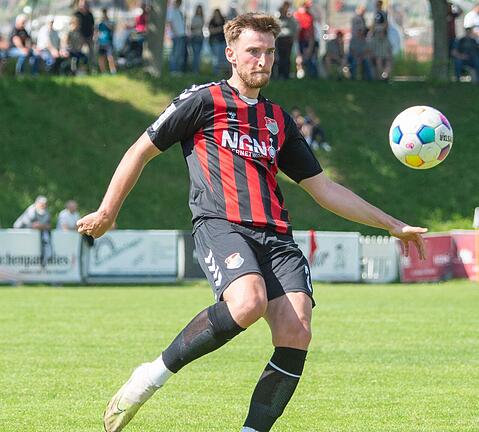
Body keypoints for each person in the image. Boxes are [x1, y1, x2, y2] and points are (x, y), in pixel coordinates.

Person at [78, 13, 427, 432]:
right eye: (253, 52)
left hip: (277, 236)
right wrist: (107, 212)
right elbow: (140, 151)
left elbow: (324, 189)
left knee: (297, 331)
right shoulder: (202, 101)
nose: (262, 60)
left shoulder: (278, 120)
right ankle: (149, 378)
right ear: (231, 55)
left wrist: (391, 224)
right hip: (222, 225)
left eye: (269, 52)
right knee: (246, 302)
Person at [369, 0, 392, 80]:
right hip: (377, 39)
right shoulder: (376, 14)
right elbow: (374, 25)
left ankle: (383, 76)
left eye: (378, 5)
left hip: (381, 40)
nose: (377, 6)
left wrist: (381, 31)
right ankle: (381, 77)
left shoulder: (383, 14)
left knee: (384, 60)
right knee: (378, 60)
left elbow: (385, 24)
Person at [274, 1, 297, 79]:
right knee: (280, 57)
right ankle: (280, 74)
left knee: (287, 58)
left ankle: (286, 74)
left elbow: (294, 29)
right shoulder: (277, 19)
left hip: (288, 40)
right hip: (280, 40)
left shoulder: (290, 19)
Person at [74, 0, 96, 72]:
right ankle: (75, 68)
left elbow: (93, 26)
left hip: (89, 36)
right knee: (78, 52)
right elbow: (74, 25)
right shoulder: (77, 14)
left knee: (92, 53)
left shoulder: (90, 14)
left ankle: (92, 69)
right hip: (80, 37)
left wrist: (93, 35)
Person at [166, 0, 186, 73]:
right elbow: (170, 22)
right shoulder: (171, 11)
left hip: (181, 34)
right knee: (175, 54)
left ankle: (178, 70)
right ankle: (173, 70)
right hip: (176, 35)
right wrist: (174, 32)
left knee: (180, 54)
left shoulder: (178, 11)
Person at [97, 8, 117, 74]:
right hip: (101, 42)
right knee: (101, 58)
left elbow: (112, 29)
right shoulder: (99, 23)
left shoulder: (110, 22)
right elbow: (97, 32)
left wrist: (106, 22)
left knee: (110, 57)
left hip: (108, 42)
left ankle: (113, 71)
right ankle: (103, 72)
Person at [208, 8, 227, 75]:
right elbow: (211, 31)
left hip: (223, 41)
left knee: (222, 58)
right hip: (215, 41)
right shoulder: (212, 21)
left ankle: (221, 72)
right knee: (216, 58)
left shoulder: (223, 20)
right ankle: (215, 72)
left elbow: (226, 29)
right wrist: (219, 29)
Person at [189, 5, 205, 74]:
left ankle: (196, 70)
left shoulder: (202, 18)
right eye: (198, 9)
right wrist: (197, 27)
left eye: (200, 9)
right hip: (195, 37)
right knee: (195, 55)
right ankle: (195, 70)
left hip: (200, 37)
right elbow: (191, 28)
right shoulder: (194, 18)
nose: (199, 11)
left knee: (198, 55)